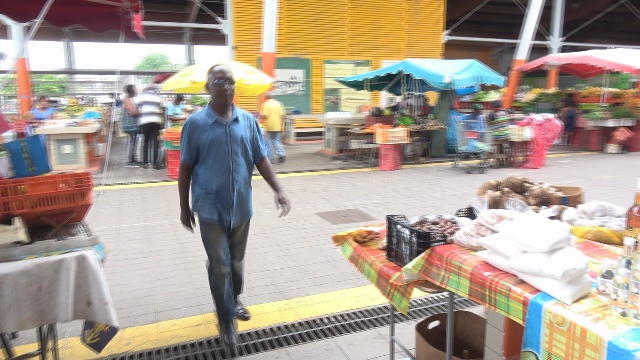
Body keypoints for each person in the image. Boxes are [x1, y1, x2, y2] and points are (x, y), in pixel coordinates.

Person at [178, 64, 291, 353]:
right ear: (208, 87)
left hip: (241, 205)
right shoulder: (195, 124)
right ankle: (226, 321)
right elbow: (186, 167)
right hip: (209, 206)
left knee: (236, 262)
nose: (226, 86)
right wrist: (183, 207)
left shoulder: (248, 121)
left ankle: (234, 298)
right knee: (221, 264)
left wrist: (278, 189)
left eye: (230, 82)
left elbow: (261, 158)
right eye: (219, 81)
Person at [137, 84, 164, 169]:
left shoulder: (141, 96)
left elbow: (138, 107)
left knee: (146, 142)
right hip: (156, 121)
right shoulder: (158, 96)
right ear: (154, 89)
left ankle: (145, 163)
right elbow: (162, 109)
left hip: (145, 122)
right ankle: (155, 164)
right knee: (155, 143)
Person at [259, 92, 287, 163]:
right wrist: (283, 126)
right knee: (277, 140)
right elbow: (283, 115)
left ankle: (270, 158)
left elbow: (264, 115)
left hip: (269, 126)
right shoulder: (278, 104)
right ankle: (281, 154)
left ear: (266, 97)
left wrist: (260, 116)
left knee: (269, 142)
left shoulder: (266, 104)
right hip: (278, 125)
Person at [121, 85, 140, 167]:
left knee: (133, 142)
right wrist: (142, 112)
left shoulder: (129, 99)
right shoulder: (127, 100)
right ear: (132, 91)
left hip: (132, 125)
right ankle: (130, 161)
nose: (136, 91)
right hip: (130, 125)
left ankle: (133, 159)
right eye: (135, 89)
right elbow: (133, 112)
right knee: (132, 142)